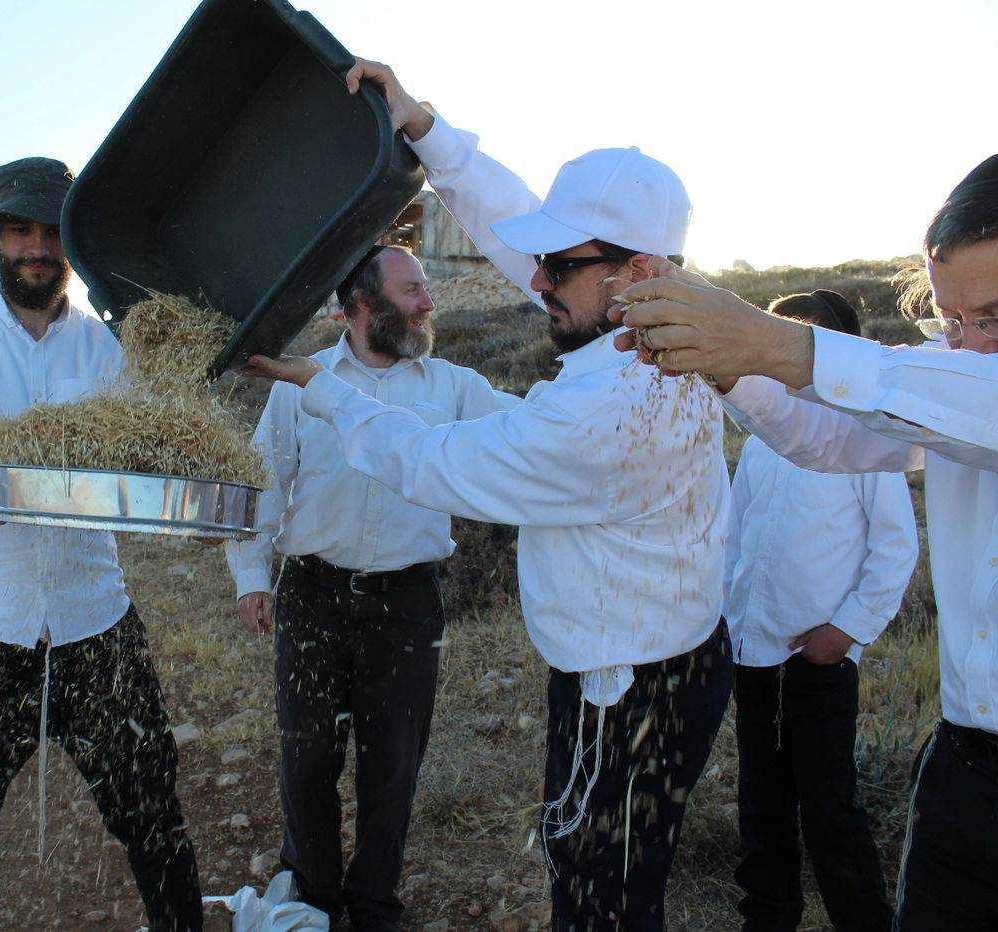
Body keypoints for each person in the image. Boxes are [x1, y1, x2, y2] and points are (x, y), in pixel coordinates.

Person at [246, 60, 733, 928]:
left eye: (559, 266)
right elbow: (523, 234)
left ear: (636, 268)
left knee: (602, 898)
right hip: (651, 658)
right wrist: (425, 128)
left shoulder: (595, 413)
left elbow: (437, 461)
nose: (536, 279)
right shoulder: (678, 320)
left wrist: (318, 388)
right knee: (604, 877)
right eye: (543, 260)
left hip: (629, 688)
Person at [615, 155, 998, 929]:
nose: (966, 349)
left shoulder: (965, 388)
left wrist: (776, 343)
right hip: (965, 769)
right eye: (950, 322)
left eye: (995, 317)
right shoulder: (952, 376)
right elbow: (826, 435)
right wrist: (725, 361)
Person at [0, 157, 201, 932]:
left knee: (153, 810)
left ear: (72, 243)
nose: (36, 246)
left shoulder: (111, 350)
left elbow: (152, 453)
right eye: (21, 230)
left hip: (92, 620)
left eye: (51, 231)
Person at [225, 243, 518, 930]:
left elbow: (524, 430)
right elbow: (264, 480)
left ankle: (375, 904)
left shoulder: (453, 386)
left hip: (407, 602)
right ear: (362, 304)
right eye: (412, 289)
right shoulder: (302, 381)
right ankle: (313, 900)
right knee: (306, 758)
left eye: (424, 289)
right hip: (312, 593)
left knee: (393, 765)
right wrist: (250, 577)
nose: (428, 302)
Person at [724, 291, 918, 931]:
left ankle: (862, 921)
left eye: (807, 338)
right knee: (762, 800)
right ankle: (769, 917)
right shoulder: (761, 441)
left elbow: (895, 549)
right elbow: (736, 538)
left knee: (830, 809)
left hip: (817, 661)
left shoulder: (865, 441)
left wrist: (844, 634)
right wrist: (729, 621)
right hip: (754, 654)